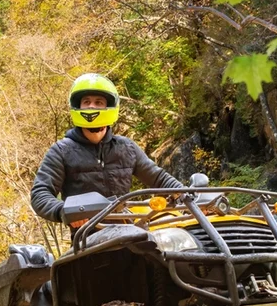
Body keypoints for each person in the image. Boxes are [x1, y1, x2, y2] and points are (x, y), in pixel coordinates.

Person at [31, 73, 182, 228]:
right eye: (86, 102)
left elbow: (159, 179)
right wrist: (65, 211)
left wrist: (188, 196)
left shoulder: (126, 148)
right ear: (78, 106)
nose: (91, 106)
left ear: (109, 106)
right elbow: (40, 194)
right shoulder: (61, 151)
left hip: (130, 232)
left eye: (98, 102)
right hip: (87, 238)